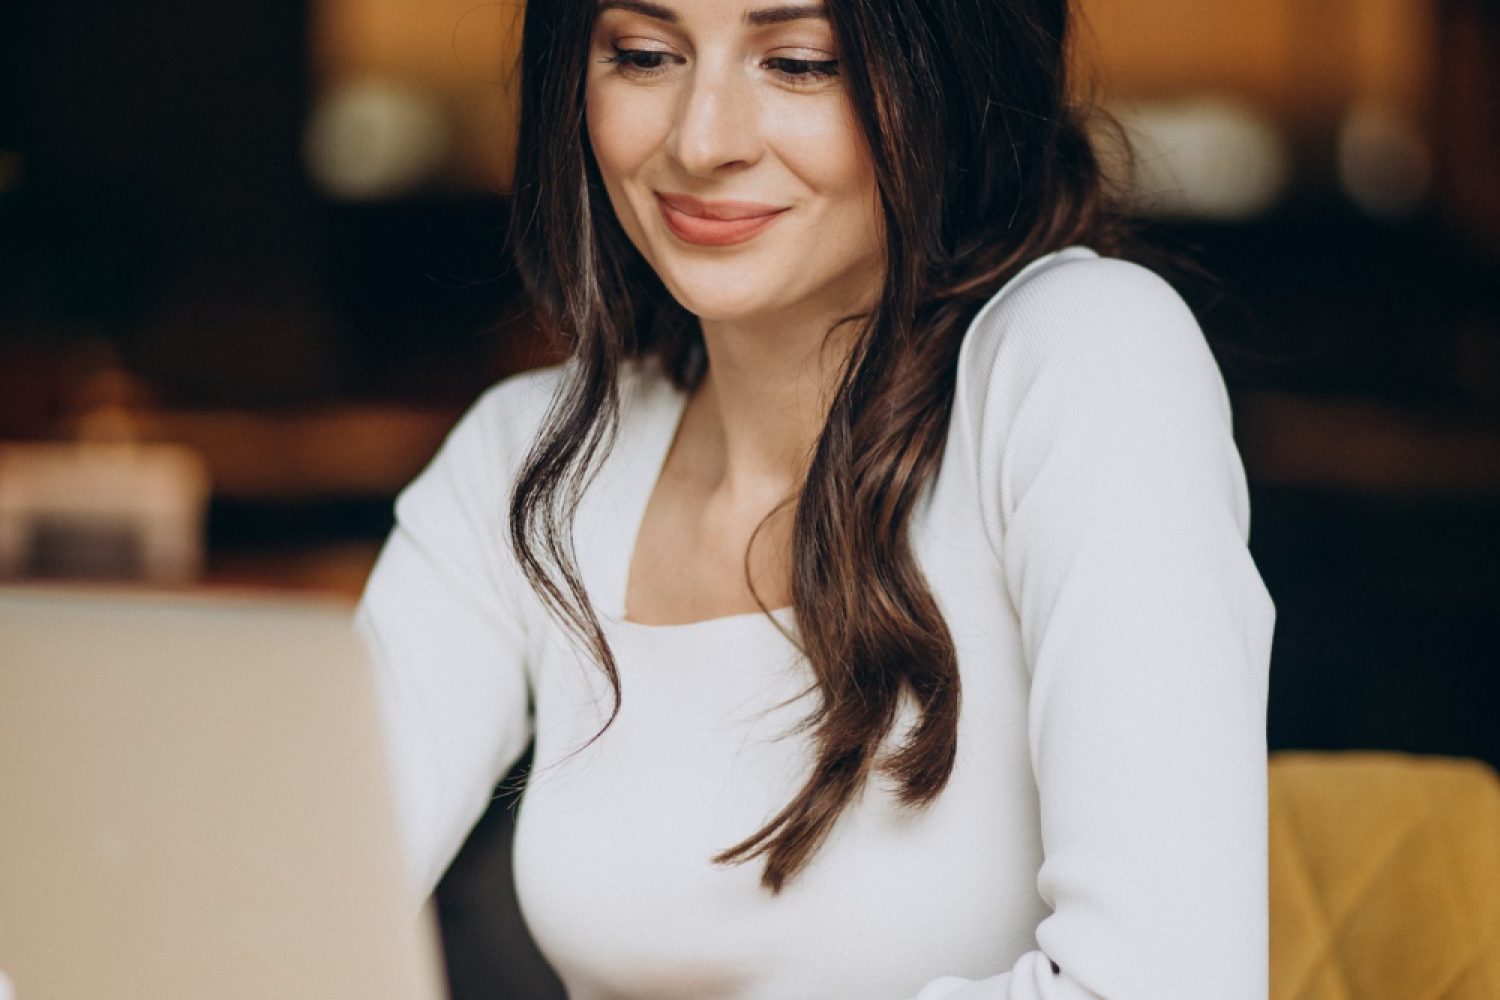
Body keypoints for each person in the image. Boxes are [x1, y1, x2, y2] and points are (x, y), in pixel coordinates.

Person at [354, 0, 1277, 997]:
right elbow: (266, 895)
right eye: (644, 55)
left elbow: (1164, 984)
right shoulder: (534, 456)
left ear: (952, 76)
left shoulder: (1086, 361)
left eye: (800, 64)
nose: (702, 140)